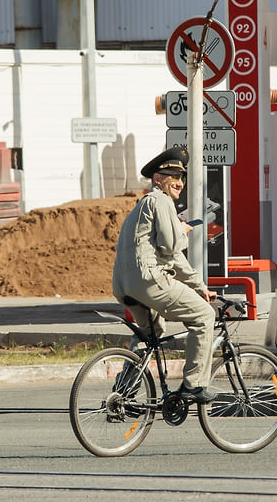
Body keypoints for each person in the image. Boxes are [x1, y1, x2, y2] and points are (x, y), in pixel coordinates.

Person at [112, 147, 218, 403]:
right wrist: (183, 230)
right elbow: (172, 246)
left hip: (125, 286)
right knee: (205, 316)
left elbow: (169, 256)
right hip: (150, 281)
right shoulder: (160, 200)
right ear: (158, 179)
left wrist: (198, 286)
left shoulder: (140, 207)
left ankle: (123, 395)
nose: (179, 182)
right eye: (172, 176)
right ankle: (193, 385)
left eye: (181, 177)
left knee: (151, 333)